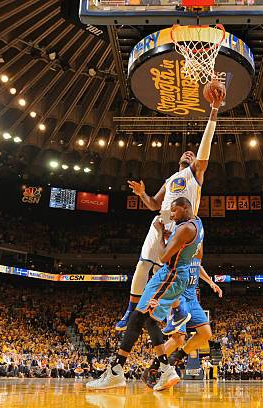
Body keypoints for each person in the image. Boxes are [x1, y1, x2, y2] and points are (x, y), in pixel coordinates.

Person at [115, 84, 225, 331]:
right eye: (186, 153)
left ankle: (178, 312)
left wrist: (214, 110)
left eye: (192, 153)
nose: (189, 153)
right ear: (179, 160)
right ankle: (131, 310)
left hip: (182, 226)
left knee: (173, 271)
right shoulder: (169, 180)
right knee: (143, 265)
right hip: (161, 221)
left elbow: (206, 144)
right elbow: (154, 204)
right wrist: (143, 194)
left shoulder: (195, 174)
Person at [87, 197, 204, 391]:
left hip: (170, 276)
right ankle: (166, 370)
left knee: (137, 317)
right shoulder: (197, 223)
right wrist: (172, 238)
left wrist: (159, 234)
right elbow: (191, 250)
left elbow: (163, 256)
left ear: (185, 208)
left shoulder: (185, 229)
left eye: (174, 211)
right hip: (173, 276)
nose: (172, 215)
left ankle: (116, 371)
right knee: (149, 321)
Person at [142, 247, 223, 388]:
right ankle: (151, 370)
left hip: (192, 298)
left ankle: (176, 357)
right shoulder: (180, 243)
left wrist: (210, 282)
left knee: (206, 333)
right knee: (178, 338)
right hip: (178, 297)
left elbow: (198, 266)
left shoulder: (198, 246)